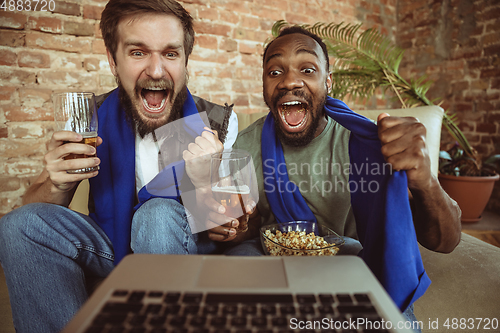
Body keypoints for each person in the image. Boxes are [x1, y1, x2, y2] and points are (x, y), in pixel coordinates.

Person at [0, 0, 239, 332]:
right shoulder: (91, 117)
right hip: (111, 239)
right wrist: (57, 184)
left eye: (170, 54)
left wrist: (211, 179)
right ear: (113, 60)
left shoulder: (217, 121)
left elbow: (232, 219)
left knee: (156, 215)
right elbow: (33, 207)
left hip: (182, 238)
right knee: (19, 225)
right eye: (138, 52)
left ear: (185, 61)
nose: (156, 71)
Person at [207, 26, 462, 329]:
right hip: (268, 254)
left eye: (307, 69)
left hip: (346, 254)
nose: (289, 80)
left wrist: (425, 181)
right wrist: (236, 229)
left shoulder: (369, 144)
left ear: (327, 81)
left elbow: (447, 241)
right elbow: (246, 228)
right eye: (275, 72)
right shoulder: (245, 146)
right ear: (264, 85)